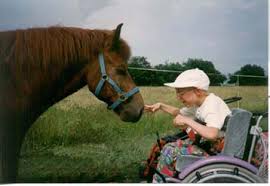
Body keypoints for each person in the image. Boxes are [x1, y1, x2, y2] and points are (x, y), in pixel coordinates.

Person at [144, 68, 231, 183]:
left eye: (181, 93)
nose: (178, 97)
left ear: (198, 91)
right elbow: (178, 112)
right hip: (208, 146)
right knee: (168, 146)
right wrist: (160, 106)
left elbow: (212, 133)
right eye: (177, 93)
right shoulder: (199, 104)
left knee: (169, 151)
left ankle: (161, 181)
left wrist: (188, 121)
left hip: (218, 152)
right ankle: (163, 179)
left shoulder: (212, 105)